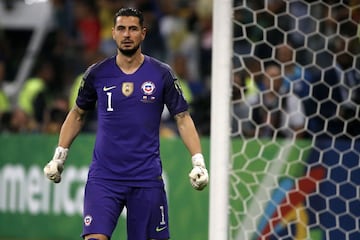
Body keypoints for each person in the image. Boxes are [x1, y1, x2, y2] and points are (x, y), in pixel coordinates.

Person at [43, 7, 209, 240]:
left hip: (146, 178)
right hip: (104, 178)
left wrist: (198, 162)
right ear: (113, 33)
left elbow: (182, 118)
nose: (127, 34)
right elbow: (77, 114)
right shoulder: (96, 74)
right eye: (121, 29)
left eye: (133, 29)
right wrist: (59, 156)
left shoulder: (161, 74)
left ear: (143, 33)